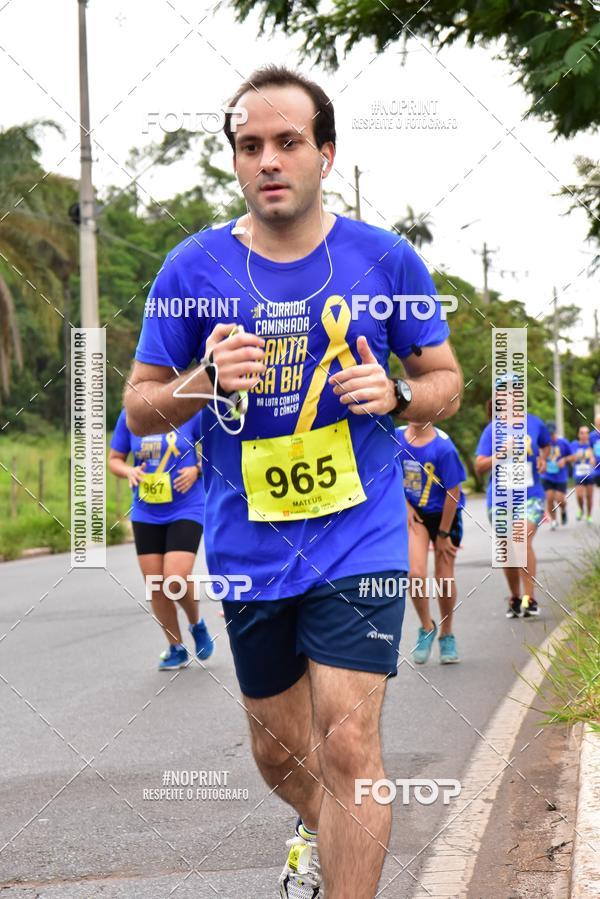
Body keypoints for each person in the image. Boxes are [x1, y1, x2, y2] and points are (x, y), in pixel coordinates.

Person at [124, 65, 462, 899]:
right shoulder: (192, 268)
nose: (269, 160)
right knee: (280, 754)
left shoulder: (385, 259)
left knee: (349, 747)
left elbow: (446, 380)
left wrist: (400, 394)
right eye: (250, 146)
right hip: (250, 544)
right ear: (236, 161)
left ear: (326, 154)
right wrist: (205, 379)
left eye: (288, 142)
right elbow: (139, 406)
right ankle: (324, 823)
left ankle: (348, 844)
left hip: (360, 533)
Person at [108, 409, 214, 669]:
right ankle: (176, 647)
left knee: (175, 578)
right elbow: (115, 459)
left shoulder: (190, 411)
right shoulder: (131, 415)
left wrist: (197, 469)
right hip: (146, 511)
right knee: (155, 585)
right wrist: (129, 471)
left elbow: (217, 452)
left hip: (187, 507)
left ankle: (196, 624)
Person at [395, 421, 466, 664]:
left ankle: (447, 634)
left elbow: (453, 492)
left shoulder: (443, 448)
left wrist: (444, 535)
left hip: (445, 515)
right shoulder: (396, 438)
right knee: (415, 573)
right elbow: (389, 474)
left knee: (444, 577)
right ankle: (427, 627)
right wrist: (406, 506)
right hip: (417, 514)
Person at [475, 395, 550, 619]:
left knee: (521, 538)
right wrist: (501, 454)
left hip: (530, 495)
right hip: (499, 498)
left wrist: (543, 458)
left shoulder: (534, 423)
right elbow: (480, 466)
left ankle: (530, 598)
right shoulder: (491, 430)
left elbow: (546, 445)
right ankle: (515, 598)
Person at [541, 422, 571, 529]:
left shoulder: (563, 442)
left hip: (560, 476)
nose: (550, 436)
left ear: (555, 432)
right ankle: (553, 520)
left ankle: (563, 510)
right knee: (549, 498)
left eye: (552, 434)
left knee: (560, 500)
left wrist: (564, 460)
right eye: (548, 434)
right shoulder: (543, 443)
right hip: (547, 475)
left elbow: (573, 456)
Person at [570, 424, 596, 523]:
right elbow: (571, 458)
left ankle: (589, 515)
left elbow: (595, 457)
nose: (584, 435)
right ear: (578, 434)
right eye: (582, 433)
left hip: (589, 474)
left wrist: (593, 459)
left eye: (586, 433)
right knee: (579, 496)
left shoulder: (591, 445)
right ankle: (581, 510)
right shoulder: (574, 444)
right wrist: (576, 456)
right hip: (578, 474)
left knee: (589, 496)